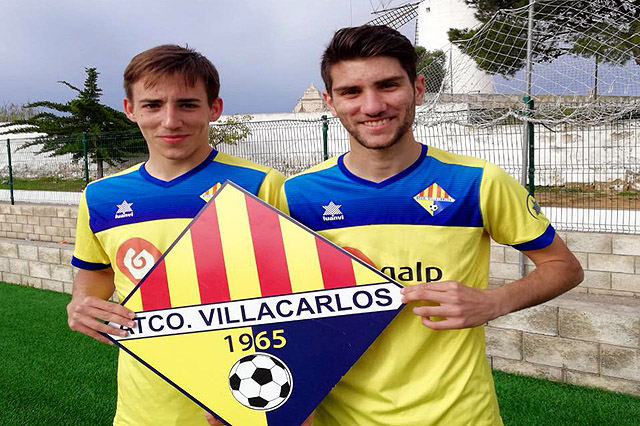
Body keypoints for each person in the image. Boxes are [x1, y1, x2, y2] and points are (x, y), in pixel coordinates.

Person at [278, 25, 584, 426]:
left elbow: (565, 267)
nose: (371, 106)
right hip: (343, 417)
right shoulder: (296, 195)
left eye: (388, 85)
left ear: (418, 89)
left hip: (460, 415)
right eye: (351, 92)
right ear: (330, 102)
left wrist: (493, 302)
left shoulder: (477, 182)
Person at [67, 44, 284, 426]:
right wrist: (82, 305)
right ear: (130, 109)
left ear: (213, 109)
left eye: (187, 104)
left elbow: (305, 297)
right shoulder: (100, 196)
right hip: (143, 410)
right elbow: (97, 273)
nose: (170, 121)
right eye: (152, 105)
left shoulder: (262, 186)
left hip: (246, 399)